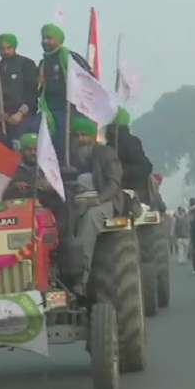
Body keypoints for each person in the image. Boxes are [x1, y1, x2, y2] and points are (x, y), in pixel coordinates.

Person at [69, 116, 124, 295]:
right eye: (77, 135)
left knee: (90, 220)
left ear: (93, 136)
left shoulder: (106, 153)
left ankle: (81, 279)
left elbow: (114, 184)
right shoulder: (71, 156)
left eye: (84, 135)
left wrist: (98, 200)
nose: (81, 139)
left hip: (104, 201)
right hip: (78, 202)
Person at [38, 24, 93, 163]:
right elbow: (38, 89)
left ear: (58, 39)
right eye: (43, 38)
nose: (45, 41)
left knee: (68, 141)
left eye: (49, 38)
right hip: (50, 110)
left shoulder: (71, 57)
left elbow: (89, 79)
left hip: (71, 109)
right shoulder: (43, 63)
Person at [0, 33, 39, 148]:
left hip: (23, 116)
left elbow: (32, 92)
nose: (5, 51)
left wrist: (20, 113)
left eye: (8, 48)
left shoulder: (26, 64)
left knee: (18, 145)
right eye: (2, 49)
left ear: (14, 47)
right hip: (2, 118)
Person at [2, 133, 65, 221]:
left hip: (45, 199)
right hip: (21, 202)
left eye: (36, 149)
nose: (33, 152)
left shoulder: (47, 166)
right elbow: (4, 189)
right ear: (21, 151)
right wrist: (15, 185)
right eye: (29, 149)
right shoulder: (12, 167)